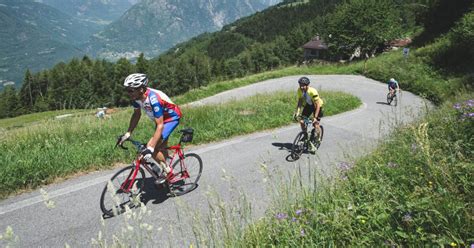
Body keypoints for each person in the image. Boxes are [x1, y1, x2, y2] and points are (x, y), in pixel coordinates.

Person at [118, 73, 182, 184]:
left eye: (131, 90)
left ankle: (169, 172)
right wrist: (128, 133)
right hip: (159, 120)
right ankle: (165, 162)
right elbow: (136, 115)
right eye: (127, 90)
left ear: (141, 89)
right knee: (159, 146)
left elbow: (160, 125)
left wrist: (151, 148)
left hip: (170, 119)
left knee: (152, 147)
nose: (128, 93)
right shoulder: (136, 97)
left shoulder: (153, 99)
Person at [293, 76, 324, 153]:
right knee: (302, 121)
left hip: (318, 106)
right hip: (309, 106)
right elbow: (300, 102)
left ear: (308, 85)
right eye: (300, 85)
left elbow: (317, 105)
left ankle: (318, 138)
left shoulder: (313, 91)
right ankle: (305, 134)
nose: (302, 87)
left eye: (303, 85)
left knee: (315, 124)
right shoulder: (299, 90)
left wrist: (315, 117)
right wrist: (297, 112)